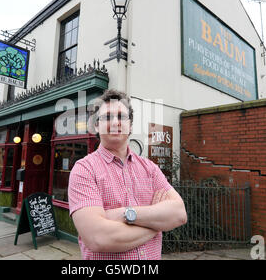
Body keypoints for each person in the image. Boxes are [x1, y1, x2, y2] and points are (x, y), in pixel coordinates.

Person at [68, 89, 187, 260]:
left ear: (130, 125)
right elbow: (98, 238)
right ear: (96, 125)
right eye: (107, 117)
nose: (115, 122)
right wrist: (157, 224)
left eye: (121, 117)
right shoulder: (84, 170)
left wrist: (126, 214)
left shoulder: (150, 169)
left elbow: (179, 214)